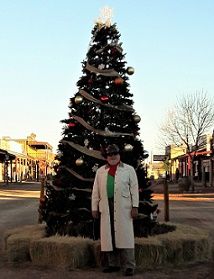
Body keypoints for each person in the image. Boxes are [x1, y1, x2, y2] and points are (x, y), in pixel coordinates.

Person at [91, 144, 139, 276]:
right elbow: (96, 191)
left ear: (119, 155)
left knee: (125, 236)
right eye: (109, 155)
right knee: (109, 234)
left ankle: (129, 266)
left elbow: (134, 189)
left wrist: (135, 206)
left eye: (115, 154)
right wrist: (94, 207)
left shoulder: (129, 170)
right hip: (106, 206)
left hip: (124, 207)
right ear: (106, 157)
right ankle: (113, 264)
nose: (112, 156)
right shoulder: (100, 171)